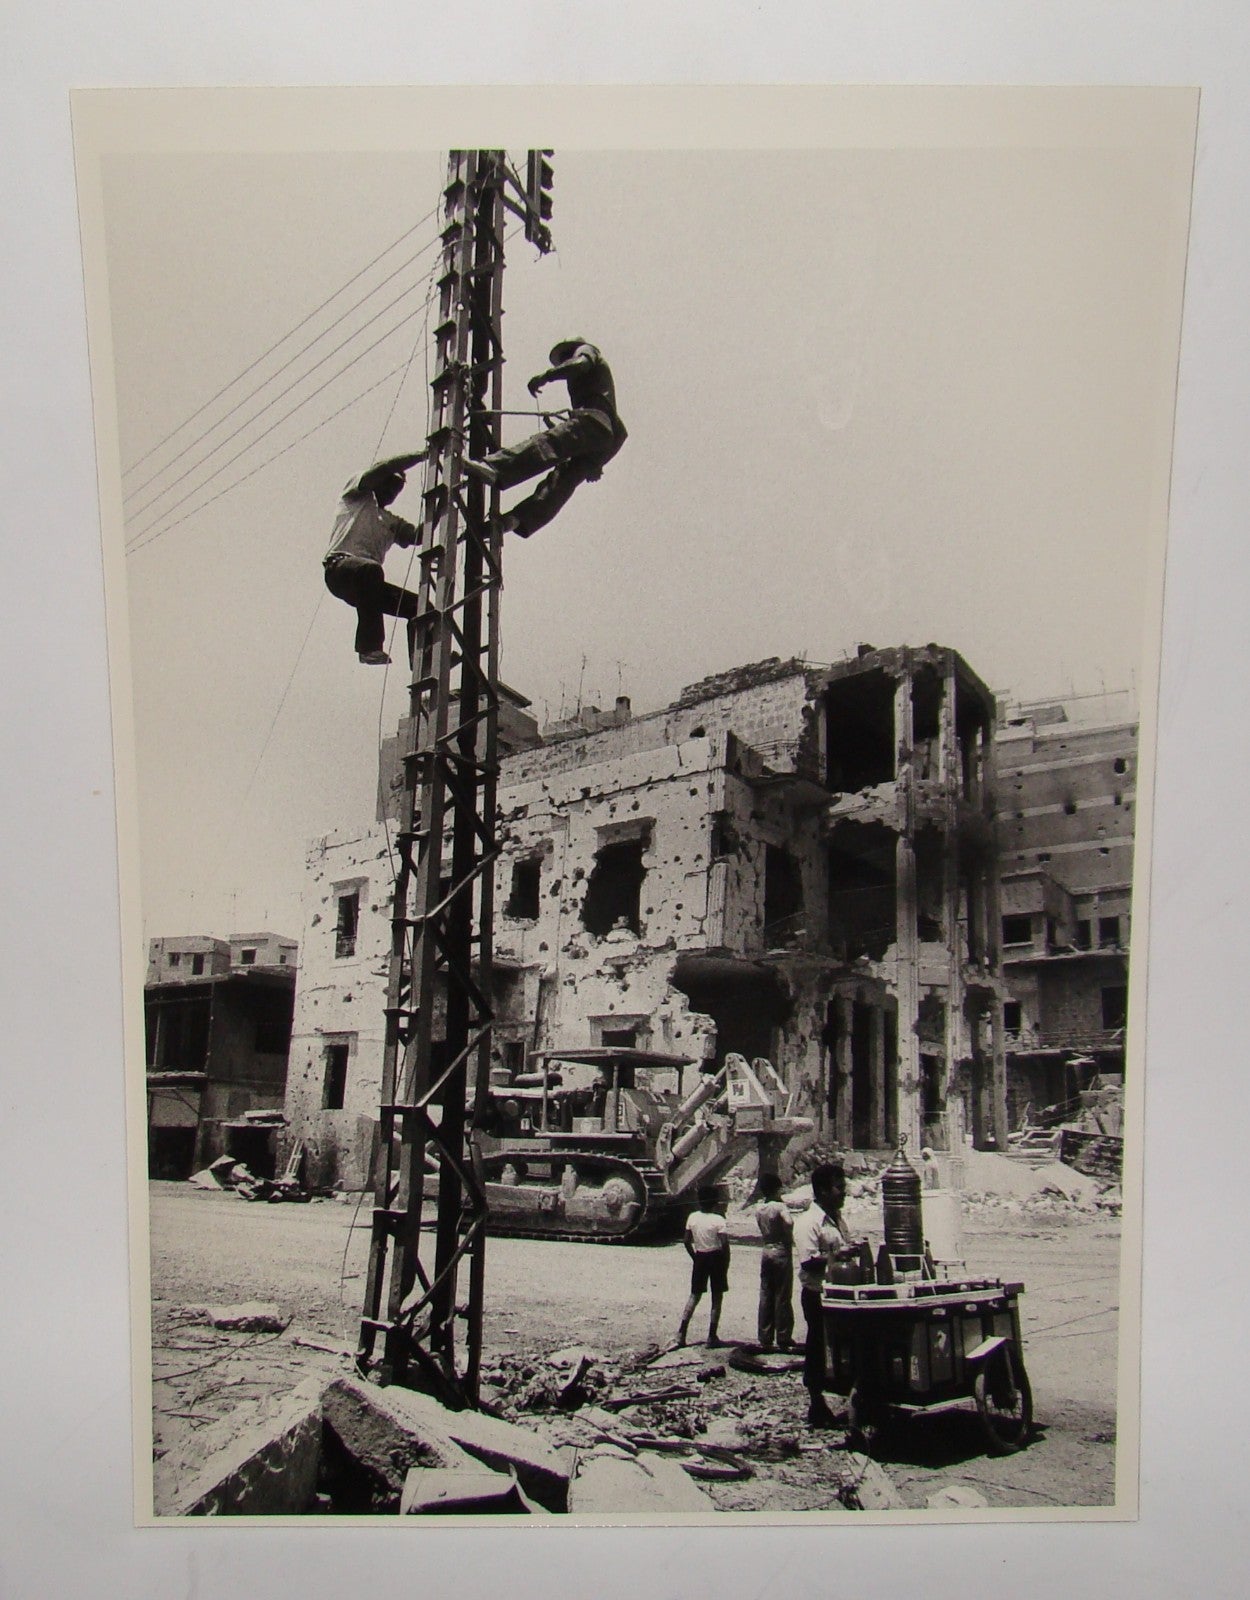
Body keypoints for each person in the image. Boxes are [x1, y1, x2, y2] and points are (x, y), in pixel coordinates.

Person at [463, 339, 627, 539]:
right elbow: (620, 432)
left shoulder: (586, 350)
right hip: (603, 436)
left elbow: (580, 364)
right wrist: (597, 461)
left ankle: (496, 469)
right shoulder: (600, 388)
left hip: (592, 422)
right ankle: (517, 519)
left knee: (549, 444)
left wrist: (546, 377)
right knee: (563, 480)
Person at [323, 451, 426, 664]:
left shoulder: (391, 521)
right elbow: (385, 467)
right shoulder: (356, 495)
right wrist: (423, 455)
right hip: (341, 570)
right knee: (370, 570)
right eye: (390, 484)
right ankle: (368, 647)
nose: (392, 492)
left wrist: (442, 507)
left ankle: (425, 659)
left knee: (421, 606)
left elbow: (416, 536)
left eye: (397, 489)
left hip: (368, 584)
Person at [792, 1161, 855, 1428]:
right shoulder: (808, 1222)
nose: (844, 1193)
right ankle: (816, 1404)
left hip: (840, 1294)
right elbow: (808, 1262)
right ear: (823, 1190)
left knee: (842, 1347)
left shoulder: (837, 1220)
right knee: (818, 1346)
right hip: (818, 1295)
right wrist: (838, 1256)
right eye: (839, 1188)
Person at [676, 1185, 730, 1349]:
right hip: (716, 1257)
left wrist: (695, 1257)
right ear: (715, 1202)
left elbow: (686, 1241)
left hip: (700, 1256)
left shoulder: (692, 1217)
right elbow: (724, 1244)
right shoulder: (718, 1220)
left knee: (695, 1295)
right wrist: (726, 1264)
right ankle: (712, 1336)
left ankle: (681, 1333)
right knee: (717, 1297)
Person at [754, 1171, 795, 1353]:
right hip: (781, 1250)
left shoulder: (759, 1208)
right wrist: (788, 1235)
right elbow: (789, 1222)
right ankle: (783, 1336)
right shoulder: (779, 1207)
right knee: (782, 1295)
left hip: (766, 1249)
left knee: (766, 1294)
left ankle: (765, 1336)